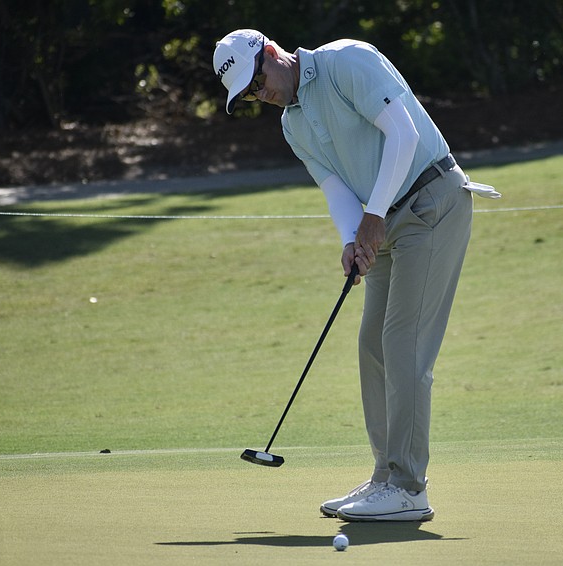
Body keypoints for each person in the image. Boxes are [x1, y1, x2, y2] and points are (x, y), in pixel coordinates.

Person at [213, 29, 498, 522]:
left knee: (403, 342)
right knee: (372, 344)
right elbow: (335, 188)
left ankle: (410, 488)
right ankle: (385, 478)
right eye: (250, 94)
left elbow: (405, 134)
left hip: (432, 200)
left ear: (273, 53)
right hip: (384, 221)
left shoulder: (347, 61)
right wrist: (352, 239)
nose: (262, 95)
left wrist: (374, 217)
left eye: (258, 81)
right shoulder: (292, 125)